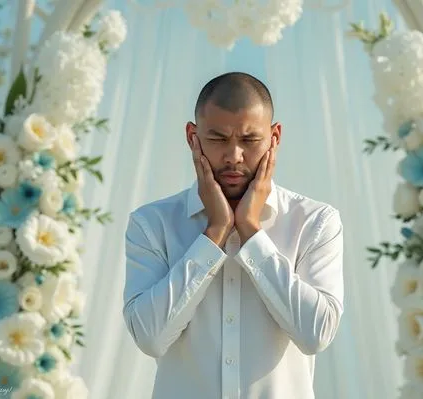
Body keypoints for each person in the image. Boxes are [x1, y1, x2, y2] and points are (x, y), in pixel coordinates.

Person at [122, 72, 344, 399]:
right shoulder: (151, 224)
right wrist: (214, 234)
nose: (234, 156)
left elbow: (317, 334)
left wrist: (251, 233)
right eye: (218, 138)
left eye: (249, 140)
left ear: (275, 137)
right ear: (192, 136)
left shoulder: (315, 222)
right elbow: (150, 338)